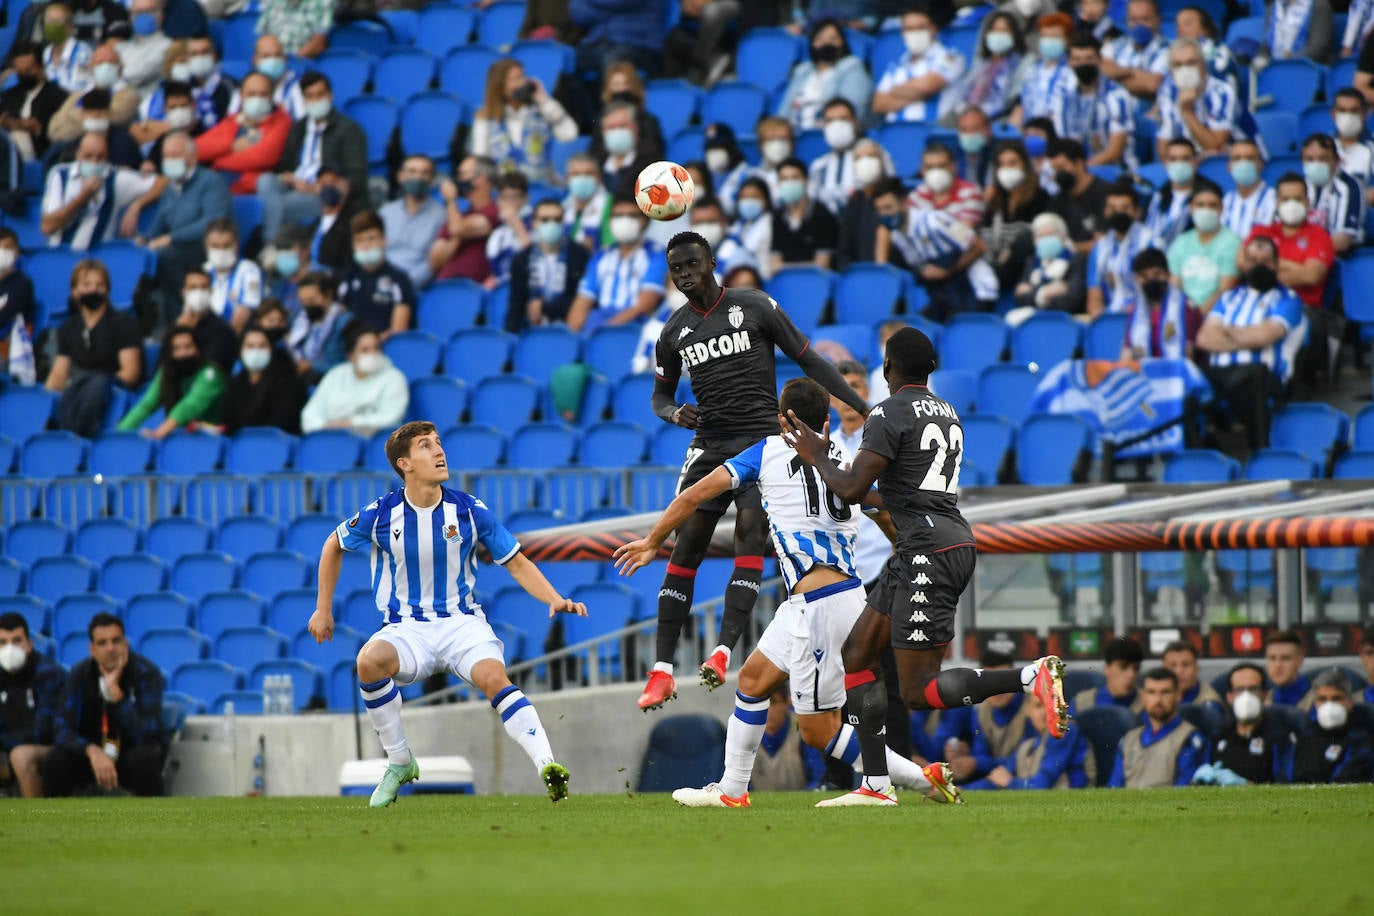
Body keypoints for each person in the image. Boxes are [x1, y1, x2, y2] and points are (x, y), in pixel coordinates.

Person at [616, 378, 959, 807]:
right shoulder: (847, 462)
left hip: (822, 608)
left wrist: (652, 541)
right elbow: (886, 515)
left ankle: (922, 780)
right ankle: (732, 791)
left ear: (782, 420)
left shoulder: (766, 451)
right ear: (827, 422)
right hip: (817, 601)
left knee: (818, 731)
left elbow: (696, 494)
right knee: (753, 680)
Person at [778, 328, 1069, 805]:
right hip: (923, 546)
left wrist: (813, 456)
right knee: (857, 656)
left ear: (889, 368)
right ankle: (875, 785)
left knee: (915, 691)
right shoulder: (947, 412)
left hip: (927, 552)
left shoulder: (888, 412)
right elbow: (890, 491)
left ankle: (1029, 675)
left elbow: (851, 489)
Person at [634, 230, 871, 712]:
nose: (684, 274)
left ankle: (722, 652)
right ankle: (661, 671)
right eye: (675, 268)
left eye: (692, 264)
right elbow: (659, 396)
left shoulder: (755, 305)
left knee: (750, 529)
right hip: (710, 444)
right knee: (690, 540)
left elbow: (808, 358)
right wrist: (673, 413)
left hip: (763, 441)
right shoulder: (672, 332)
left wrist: (863, 407)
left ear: (713, 262)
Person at [309, 421, 582, 805]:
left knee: (493, 676)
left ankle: (547, 765)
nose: (439, 451)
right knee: (369, 662)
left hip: (461, 623)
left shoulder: (468, 510)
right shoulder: (381, 513)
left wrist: (553, 597)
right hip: (406, 628)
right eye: (426, 446)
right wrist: (323, 608)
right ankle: (400, 761)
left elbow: (516, 561)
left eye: (439, 443)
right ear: (405, 464)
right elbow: (333, 545)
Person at [1197, 235, 1307, 452]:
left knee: (1252, 377)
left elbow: (1264, 337)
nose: (1259, 266)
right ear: (1244, 265)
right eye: (1252, 261)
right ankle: (1201, 451)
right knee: (1188, 381)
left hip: (1263, 378)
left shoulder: (1289, 299)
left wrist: (1227, 332)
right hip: (1220, 376)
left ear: (1276, 264)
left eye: (1265, 261)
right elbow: (1204, 338)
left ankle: (1259, 451)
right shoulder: (1228, 297)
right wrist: (1247, 336)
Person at [39, 613, 165, 798]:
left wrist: (118, 698)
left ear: (125, 644)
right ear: (92, 649)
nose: (111, 648)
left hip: (130, 751)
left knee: (144, 757)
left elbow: (148, 732)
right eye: (102, 643)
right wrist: (91, 750)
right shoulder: (80, 674)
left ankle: (153, 819)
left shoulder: (146, 672)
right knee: (55, 760)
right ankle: (57, 821)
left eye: (116, 641)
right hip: (93, 754)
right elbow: (60, 728)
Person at [256, 72, 367, 244]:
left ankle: (269, 243)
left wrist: (317, 187)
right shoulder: (298, 129)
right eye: (310, 96)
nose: (316, 100)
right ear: (304, 100)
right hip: (294, 185)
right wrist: (287, 177)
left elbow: (357, 178)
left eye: (320, 95)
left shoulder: (348, 130)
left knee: (279, 205)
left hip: (321, 193)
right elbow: (284, 166)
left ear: (330, 95)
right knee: (265, 180)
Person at [144, 130, 232, 326]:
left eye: (175, 155)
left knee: (165, 255)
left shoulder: (211, 181)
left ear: (192, 158)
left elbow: (213, 221)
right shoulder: (170, 187)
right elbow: (159, 221)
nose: (169, 160)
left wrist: (172, 237)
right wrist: (144, 239)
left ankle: (179, 319)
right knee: (140, 256)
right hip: (179, 248)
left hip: (205, 248)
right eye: (166, 156)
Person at [45, 260, 142, 437]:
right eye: (87, 285)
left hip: (113, 393)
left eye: (100, 285)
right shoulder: (68, 327)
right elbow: (58, 374)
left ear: (107, 290)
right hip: (80, 390)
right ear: (74, 291)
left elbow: (130, 373)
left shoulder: (124, 323)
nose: (94, 290)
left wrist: (99, 385)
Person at [874, 177, 991, 321]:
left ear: (904, 203)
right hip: (943, 294)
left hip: (977, 290)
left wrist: (946, 272)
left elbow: (979, 246)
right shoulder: (897, 236)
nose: (884, 215)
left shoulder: (938, 221)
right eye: (879, 210)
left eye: (888, 208)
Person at [40, 130, 161, 249]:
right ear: (78, 154)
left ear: (107, 157)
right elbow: (48, 227)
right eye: (88, 156)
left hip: (97, 260)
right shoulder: (60, 175)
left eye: (100, 157)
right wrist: (82, 197)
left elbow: (163, 182)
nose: (94, 162)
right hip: (60, 254)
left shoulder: (116, 179)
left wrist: (137, 205)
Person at [470, 58, 576, 187]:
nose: (523, 82)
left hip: (541, 187)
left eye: (523, 76)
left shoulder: (542, 110)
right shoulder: (486, 119)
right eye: (516, 79)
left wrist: (544, 100)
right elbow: (481, 159)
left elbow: (570, 134)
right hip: (506, 193)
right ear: (501, 88)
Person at [565, 196, 664, 333]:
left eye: (632, 216)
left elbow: (644, 306)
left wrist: (604, 333)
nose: (624, 220)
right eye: (618, 216)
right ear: (610, 221)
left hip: (635, 328)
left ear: (645, 221)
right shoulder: (600, 256)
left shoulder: (657, 255)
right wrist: (572, 338)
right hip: (600, 323)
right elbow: (582, 302)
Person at [961, 692, 1090, 790]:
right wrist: (963, 790)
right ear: (1028, 711)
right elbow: (998, 777)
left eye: (1052, 705)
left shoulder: (1065, 731)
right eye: (1039, 706)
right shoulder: (1029, 744)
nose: (1046, 712)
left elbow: (1041, 785)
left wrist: (1010, 782)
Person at [1247, 172, 1336, 312]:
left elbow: (1311, 276)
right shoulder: (1261, 231)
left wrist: (1266, 271)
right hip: (1259, 305)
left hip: (1303, 309)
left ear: (1307, 201)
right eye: (1286, 199)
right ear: (1277, 202)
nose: (1292, 205)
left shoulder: (1319, 235)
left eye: (1298, 199)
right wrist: (1294, 267)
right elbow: (1244, 266)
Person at [117, 325, 226, 437]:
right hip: (180, 436)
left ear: (197, 350)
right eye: (176, 349)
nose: (183, 353)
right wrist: (120, 434)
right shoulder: (166, 372)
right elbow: (147, 405)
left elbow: (190, 406)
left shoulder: (210, 374)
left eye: (188, 347)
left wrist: (159, 433)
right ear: (169, 353)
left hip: (212, 437)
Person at [0, 612, 66, 798]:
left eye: (16, 640)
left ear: (29, 645)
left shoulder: (48, 673)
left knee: (20, 756)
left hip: (49, 748)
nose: (9, 649)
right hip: (9, 747)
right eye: (3, 642)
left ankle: (35, 817)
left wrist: (7, 747)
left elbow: (43, 730)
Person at [300, 323, 408, 435]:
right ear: (351, 355)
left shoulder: (394, 377)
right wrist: (325, 426)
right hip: (332, 440)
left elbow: (391, 418)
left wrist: (349, 424)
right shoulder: (335, 375)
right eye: (365, 350)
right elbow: (309, 416)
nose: (373, 354)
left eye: (376, 348)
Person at [1106, 667, 1207, 787]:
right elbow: (1114, 787)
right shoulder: (1129, 739)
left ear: (1178, 695)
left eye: (1165, 692)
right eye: (1151, 692)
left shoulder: (1189, 738)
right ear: (1143, 696)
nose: (1158, 700)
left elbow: (1184, 790)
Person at [1196, 662, 1293, 785]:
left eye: (1253, 689)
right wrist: (1197, 781)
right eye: (1239, 690)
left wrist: (1244, 784)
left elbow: (1286, 787)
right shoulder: (1218, 736)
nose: (1246, 696)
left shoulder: (1279, 736)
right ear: (1229, 697)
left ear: (1264, 695)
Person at [196, 71, 290, 194]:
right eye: (251, 94)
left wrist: (218, 161)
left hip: (249, 187)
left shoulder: (282, 122)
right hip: (219, 181)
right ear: (241, 96)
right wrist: (231, 145)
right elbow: (196, 148)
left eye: (263, 94)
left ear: (272, 96)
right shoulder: (233, 120)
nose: (257, 99)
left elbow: (262, 158)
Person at [506, 198, 590, 332]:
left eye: (557, 220)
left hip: (569, 329)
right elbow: (516, 304)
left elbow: (583, 301)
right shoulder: (522, 259)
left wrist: (546, 307)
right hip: (532, 331)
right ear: (534, 223)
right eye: (545, 220)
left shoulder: (579, 255)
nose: (551, 224)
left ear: (563, 223)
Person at [777, 17, 873, 131]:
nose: (827, 43)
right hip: (795, 136)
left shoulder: (853, 67)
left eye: (833, 38)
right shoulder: (802, 72)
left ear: (843, 43)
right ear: (812, 44)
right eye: (820, 39)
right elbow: (783, 112)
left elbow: (853, 113)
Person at [873, 7, 964, 125]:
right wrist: (920, 94)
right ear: (902, 33)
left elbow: (927, 86)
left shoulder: (951, 57)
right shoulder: (896, 66)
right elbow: (878, 104)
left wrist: (893, 90)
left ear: (933, 29)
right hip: (899, 133)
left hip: (933, 133)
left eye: (921, 28)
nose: (915, 33)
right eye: (909, 29)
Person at [1154, 38, 1239, 160]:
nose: (1185, 70)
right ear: (1171, 71)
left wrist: (1186, 111)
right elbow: (1163, 151)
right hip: (1188, 162)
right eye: (1178, 65)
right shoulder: (1167, 92)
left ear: (1203, 65)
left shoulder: (1222, 91)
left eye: (1191, 63)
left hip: (1227, 161)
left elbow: (1215, 146)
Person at [336, 210, 416, 340]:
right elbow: (338, 320)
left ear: (384, 240)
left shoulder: (399, 279)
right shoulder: (347, 278)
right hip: (351, 351)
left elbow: (398, 331)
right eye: (359, 241)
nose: (366, 246)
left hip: (383, 351)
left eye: (371, 239)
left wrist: (371, 344)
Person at [983, 139, 1051, 291]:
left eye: (1012, 163)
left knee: (1025, 241)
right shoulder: (994, 202)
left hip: (1023, 267)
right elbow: (984, 238)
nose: (1006, 169)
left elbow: (1033, 241)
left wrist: (1009, 252)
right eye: (1001, 165)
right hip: (993, 264)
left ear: (1025, 165)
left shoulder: (1041, 198)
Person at [1286, 669, 1374, 783]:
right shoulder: (1304, 735)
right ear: (1315, 703)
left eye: (1336, 698)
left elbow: (1348, 778)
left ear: (1350, 702)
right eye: (1322, 699)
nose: (1329, 705)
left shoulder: (1362, 738)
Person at [1167, 177, 1239, 314]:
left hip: (1219, 314)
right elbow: (1174, 286)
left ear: (1221, 208)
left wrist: (1196, 318)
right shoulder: (1180, 242)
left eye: (1212, 205)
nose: (1206, 210)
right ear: (1190, 208)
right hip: (1184, 315)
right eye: (1200, 205)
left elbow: (1225, 289)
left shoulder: (1232, 242)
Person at [1063, 34, 1136, 169]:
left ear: (1099, 60)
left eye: (1089, 58)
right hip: (1079, 171)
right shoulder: (1066, 97)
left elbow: (1115, 151)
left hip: (1115, 171)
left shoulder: (1116, 96)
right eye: (1077, 59)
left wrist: (1083, 169)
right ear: (1069, 62)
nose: (1083, 64)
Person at [1087, 180, 1158, 316]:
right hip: (1110, 318)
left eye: (1125, 208)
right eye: (1112, 208)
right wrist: (1102, 324)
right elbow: (1094, 296)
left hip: (1142, 316)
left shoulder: (1150, 243)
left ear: (1137, 211)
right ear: (1105, 212)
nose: (1118, 213)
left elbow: (1154, 294)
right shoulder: (1100, 247)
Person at [48, 44, 139, 145]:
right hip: (72, 148)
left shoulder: (129, 95)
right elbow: (55, 130)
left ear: (120, 67)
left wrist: (71, 115)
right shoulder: (78, 94)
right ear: (91, 68)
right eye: (100, 63)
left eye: (111, 62)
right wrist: (89, 118)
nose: (106, 66)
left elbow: (104, 121)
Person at [429, 156, 501, 284]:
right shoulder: (458, 215)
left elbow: (457, 229)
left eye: (462, 174)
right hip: (445, 287)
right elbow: (434, 261)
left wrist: (451, 200)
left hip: (473, 291)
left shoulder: (494, 210)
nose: (458, 180)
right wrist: (459, 238)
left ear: (481, 178)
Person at [223, 325, 306, 433]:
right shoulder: (235, 383)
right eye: (250, 346)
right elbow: (228, 421)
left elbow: (285, 420)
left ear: (271, 350)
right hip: (242, 444)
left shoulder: (288, 381)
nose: (256, 351)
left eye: (262, 346)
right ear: (240, 351)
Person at [1008, 211, 1088, 325]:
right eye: (1040, 236)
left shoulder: (1076, 260)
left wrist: (1033, 293)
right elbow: (1020, 299)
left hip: (1065, 323)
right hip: (1033, 323)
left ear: (1063, 237)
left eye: (1050, 235)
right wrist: (1044, 293)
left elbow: (1072, 301)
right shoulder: (1032, 262)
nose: (1045, 240)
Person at [950, 11, 1031, 123]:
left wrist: (978, 113)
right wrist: (965, 109)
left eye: (1004, 31)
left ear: (1014, 35)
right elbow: (963, 93)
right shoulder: (981, 64)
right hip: (967, 116)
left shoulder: (1021, 64)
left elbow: (1008, 100)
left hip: (997, 119)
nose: (998, 35)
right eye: (995, 30)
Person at [379, 155, 445, 289]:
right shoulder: (386, 212)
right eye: (412, 172)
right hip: (380, 283)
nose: (418, 178)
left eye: (425, 173)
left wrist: (402, 285)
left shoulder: (442, 216)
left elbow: (433, 263)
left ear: (432, 180)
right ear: (400, 177)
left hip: (415, 288)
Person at [1122, 247, 1196, 360]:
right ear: (1136, 279)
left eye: (1157, 275)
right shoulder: (1136, 313)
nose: (1151, 280)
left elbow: (1189, 354)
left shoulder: (1185, 308)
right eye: (1144, 276)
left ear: (1168, 275)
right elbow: (1127, 354)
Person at [2, 42, 70, 162]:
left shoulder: (58, 97)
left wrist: (38, 130)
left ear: (41, 66)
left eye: (29, 71)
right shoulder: (9, 96)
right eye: (20, 72)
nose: (24, 76)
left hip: (42, 158)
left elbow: (64, 136)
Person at [1300, 133, 1365, 256]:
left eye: (1323, 159)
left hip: (1338, 258)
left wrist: (1302, 251)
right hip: (1301, 256)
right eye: (1309, 159)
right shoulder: (1298, 186)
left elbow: (1342, 241)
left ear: (1336, 161)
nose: (1316, 164)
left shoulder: (1349, 187)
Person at [807, 97, 873, 215]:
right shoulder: (818, 166)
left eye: (843, 119)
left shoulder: (873, 155)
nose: (837, 125)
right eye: (830, 121)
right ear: (823, 126)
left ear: (855, 123)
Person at [770, 158, 838, 272]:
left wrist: (784, 268)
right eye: (784, 179)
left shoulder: (822, 215)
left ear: (806, 180)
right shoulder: (778, 216)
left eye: (795, 178)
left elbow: (823, 264)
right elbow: (774, 265)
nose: (789, 183)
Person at [835, 138, 893, 270]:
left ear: (882, 162)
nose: (865, 162)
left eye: (871, 156)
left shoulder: (895, 197)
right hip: (860, 276)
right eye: (859, 158)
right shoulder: (855, 201)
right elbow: (845, 249)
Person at [1012, 12, 1076, 130]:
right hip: (1030, 133)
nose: (1049, 41)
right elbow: (1023, 104)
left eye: (1054, 37)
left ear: (1067, 40)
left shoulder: (1073, 71)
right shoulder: (1032, 70)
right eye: (1045, 36)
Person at [1048, 138, 1111, 252]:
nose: (1058, 174)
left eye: (1062, 167)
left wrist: (1071, 248)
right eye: (1055, 170)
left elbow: (1103, 243)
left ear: (1079, 163)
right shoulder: (1058, 199)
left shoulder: (1106, 194)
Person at [1099, 0, 1169, 101]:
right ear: (1127, 21)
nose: (1139, 25)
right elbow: (1102, 69)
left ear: (1158, 19)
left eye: (1145, 19)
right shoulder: (1115, 45)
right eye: (1133, 20)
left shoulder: (1168, 49)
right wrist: (1136, 75)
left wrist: (1118, 72)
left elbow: (1153, 85)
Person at [285, 271, 348, 380]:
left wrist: (312, 365)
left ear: (328, 295)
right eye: (303, 302)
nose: (307, 306)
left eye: (311, 300)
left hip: (332, 381)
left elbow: (346, 364)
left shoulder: (345, 322)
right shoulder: (299, 316)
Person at [203, 218, 262, 333]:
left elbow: (243, 315)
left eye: (226, 246)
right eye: (215, 246)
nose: (221, 251)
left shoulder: (249, 270)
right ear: (206, 246)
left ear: (237, 244)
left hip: (233, 335)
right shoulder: (203, 270)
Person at [174, 268, 236, 372]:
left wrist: (188, 333)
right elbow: (164, 368)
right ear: (183, 292)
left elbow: (208, 371)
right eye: (193, 288)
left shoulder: (222, 331)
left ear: (211, 291)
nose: (199, 293)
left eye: (204, 288)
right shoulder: (177, 326)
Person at [911, 142, 985, 228]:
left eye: (941, 166)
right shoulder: (918, 194)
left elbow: (964, 234)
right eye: (930, 167)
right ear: (922, 169)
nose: (936, 172)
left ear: (953, 166)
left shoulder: (971, 193)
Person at [235, 34, 303, 121]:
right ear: (254, 60)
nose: (273, 60)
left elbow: (300, 123)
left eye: (277, 55)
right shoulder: (246, 85)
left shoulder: (297, 86)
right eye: (266, 56)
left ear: (285, 59)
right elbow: (232, 122)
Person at [1144, 137, 1198, 246]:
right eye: (1173, 159)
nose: (1179, 164)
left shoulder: (1206, 195)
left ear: (1195, 162)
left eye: (1185, 159)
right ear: (1165, 163)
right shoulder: (1157, 196)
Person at [1221, 140, 1276, 239]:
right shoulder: (1225, 201)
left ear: (1261, 164)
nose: (1243, 164)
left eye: (1250, 158)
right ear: (1229, 166)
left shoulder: (1275, 199)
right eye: (1237, 159)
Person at [1073, 636, 1145, 713]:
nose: (1131, 675)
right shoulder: (1082, 704)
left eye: (1136, 668)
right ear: (1107, 668)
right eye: (1123, 667)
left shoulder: (1148, 704)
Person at [485, 172, 532, 287]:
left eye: (514, 197)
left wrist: (516, 223)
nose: (509, 202)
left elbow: (533, 257)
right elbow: (496, 270)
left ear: (525, 198)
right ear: (498, 200)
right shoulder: (497, 233)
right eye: (505, 197)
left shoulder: (537, 222)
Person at [118, 0, 173, 94]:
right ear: (131, 17)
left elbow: (135, 75)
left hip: (153, 99)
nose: (143, 16)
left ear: (160, 16)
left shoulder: (168, 46)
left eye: (149, 12)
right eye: (138, 12)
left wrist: (119, 71)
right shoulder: (122, 47)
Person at [1259, 0, 1336, 67]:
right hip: (1276, 67)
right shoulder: (1273, 7)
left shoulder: (1320, 6)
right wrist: (1262, 58)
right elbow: (1266, 44)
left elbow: (1317, 48)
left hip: (1307, 68)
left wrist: (1290, 60)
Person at [562, 151, 613, 252]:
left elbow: (611, 246)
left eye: (588, 174)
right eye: (575, 174)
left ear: (599, 178)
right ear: (567, 179)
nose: (582, 178)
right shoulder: (562, 205)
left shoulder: (611, 205)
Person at [41, 4, 93, 95]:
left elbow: (80, 87)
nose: (52, 26)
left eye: (57, 21)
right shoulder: (46, 52)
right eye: (49, 21)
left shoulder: (82, 51)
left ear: (69, 25)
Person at [1331, 88, 1374, 195]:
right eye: (1342, 110)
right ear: (1333, 114)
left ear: (1365, 113)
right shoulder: (1324, 147)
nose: (1348, 116)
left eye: (1354, 111)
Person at [256, 0, 332, 59]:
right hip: (273, 60)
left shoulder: (322, 2)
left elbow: (319, 42)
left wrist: (293, 60)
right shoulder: (272, 3)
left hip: (303, 62)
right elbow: (262, 39)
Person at [1264, 629, 1315, 710]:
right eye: (1272, 658)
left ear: (1300, 660)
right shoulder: (1264, 700)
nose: (1278, 665)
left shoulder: (1317, 700)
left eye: (1285, 658)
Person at [732, 177, 774, 272]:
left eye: (755, 197)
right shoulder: (740, 225)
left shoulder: (770, 223)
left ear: (766, 200)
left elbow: (751, 248)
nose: (749, 201)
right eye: (744, 197)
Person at [1162, 641, 1221, 708]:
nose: (1179, 671)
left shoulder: (1208, 705)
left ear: (1196, 669)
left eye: (1185, 665)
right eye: (1173, 666)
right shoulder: (1151, 700)